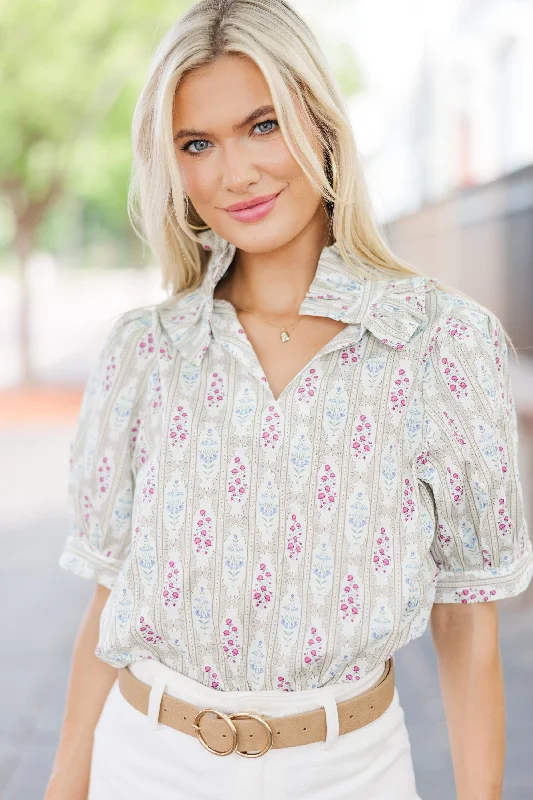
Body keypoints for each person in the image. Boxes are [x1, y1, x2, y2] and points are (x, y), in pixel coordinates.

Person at [45, 1, 533, 799]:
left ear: (321, 126)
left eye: (262, 125)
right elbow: (109, 595)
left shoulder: (440, 344)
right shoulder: (146, 351)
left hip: (352, 771)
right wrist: (64, 784)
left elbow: (464, 616)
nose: (233, 173)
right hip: (145, 762)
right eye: (196, 144)